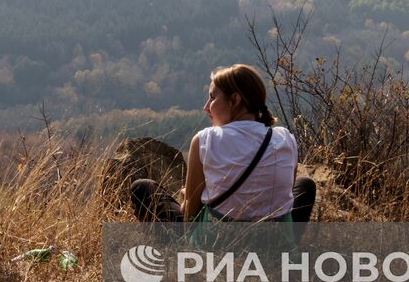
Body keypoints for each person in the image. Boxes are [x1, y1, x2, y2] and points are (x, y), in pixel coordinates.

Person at [131, 64, 316, 224]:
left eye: (212, 98)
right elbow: (281, 198)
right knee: (305, 185)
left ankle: (180, 250)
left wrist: (189, 196)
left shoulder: (205, 140)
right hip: (276, 245)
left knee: (142, 187)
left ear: (234, 100)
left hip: (218, 243)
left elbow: (189, 214)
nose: (206, 106)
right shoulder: (285, 139)